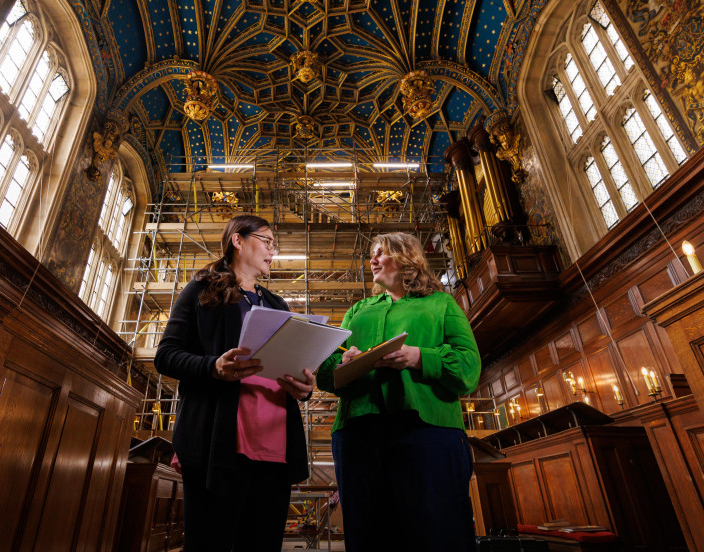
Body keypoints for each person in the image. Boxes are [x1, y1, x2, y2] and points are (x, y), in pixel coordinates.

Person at [154, 214, 316, 552]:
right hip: (218, 443)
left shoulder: (277, 304)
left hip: (274, 446)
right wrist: (214, 366)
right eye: (267, 241)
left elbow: (289, 369)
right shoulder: (201, 290)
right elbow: (166, 355)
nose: (273, 251)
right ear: (237, 241)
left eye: (275, 245)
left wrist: (303, 388)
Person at [316, 232, 481, 552]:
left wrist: (420, 357)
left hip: (427, 431)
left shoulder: (440, 304)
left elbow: (469, 368)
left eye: (381, 253)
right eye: (371, 254)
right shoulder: (358, 310)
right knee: (368, 533)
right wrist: (343, 361)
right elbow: (327, 372)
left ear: (407, 258)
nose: (372, 260)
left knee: (434, 530)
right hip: (358, 433)